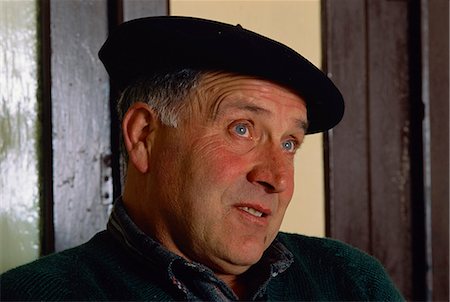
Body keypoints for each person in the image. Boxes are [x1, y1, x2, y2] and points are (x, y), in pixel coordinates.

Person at [1, 16, 403, 301]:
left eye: (289, 144)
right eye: (242, 128)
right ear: (144, 136)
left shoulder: (350, 280)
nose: (276, 177)